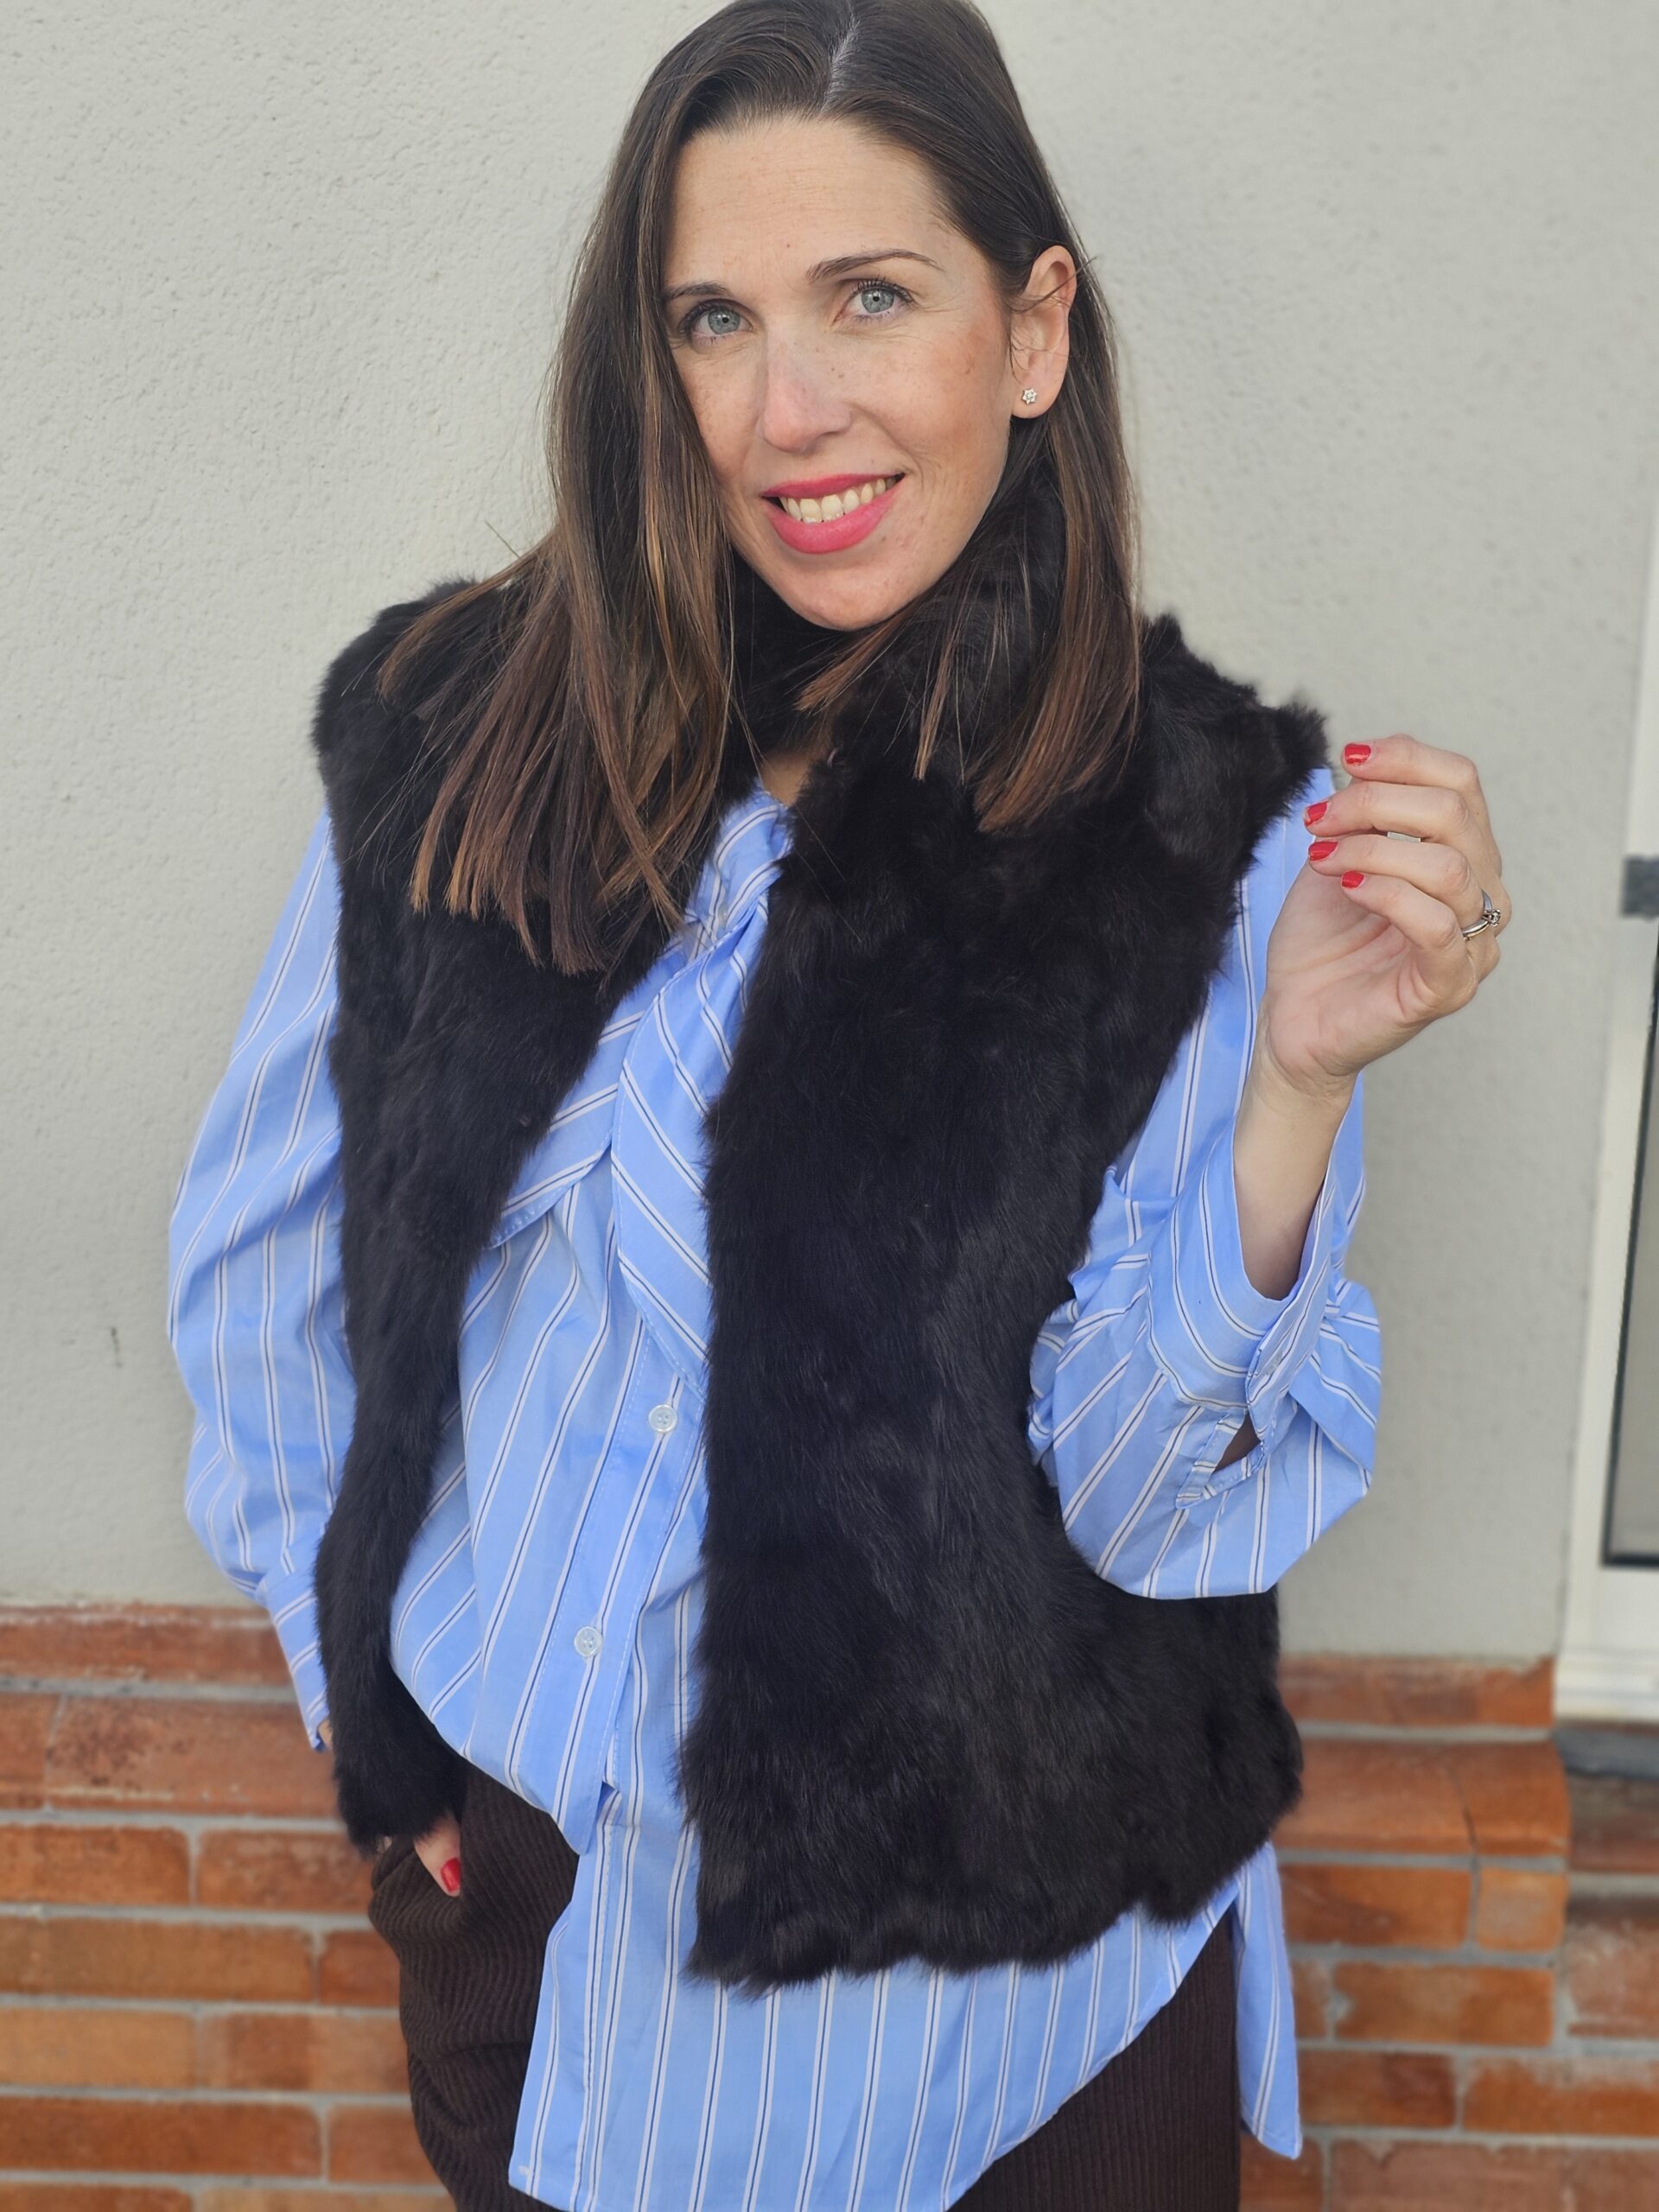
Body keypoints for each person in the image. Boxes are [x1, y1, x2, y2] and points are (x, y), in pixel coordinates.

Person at [165, 2, 1510, 2206]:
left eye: (870, 296)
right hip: (560, 1959)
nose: (789, 410)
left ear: (1033, 328)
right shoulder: (473, 729)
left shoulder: (1207, 856)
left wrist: (1291, 1083)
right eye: (715, 318)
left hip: (1023, 2012)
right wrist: (368, 1706)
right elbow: (267, 1259)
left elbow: (1140, 1504)